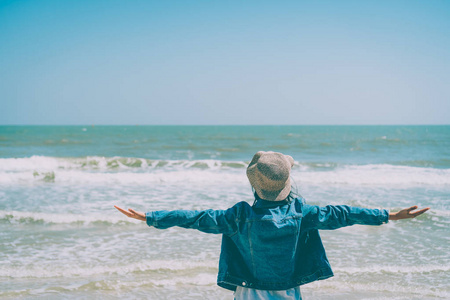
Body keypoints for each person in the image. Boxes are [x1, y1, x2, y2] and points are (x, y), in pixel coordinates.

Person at [115, 151, 429, 300]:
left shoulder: (236, 216)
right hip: (288, 291)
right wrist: (389, 214)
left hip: (248, 292)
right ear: (287, 184)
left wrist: (150, 217)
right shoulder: (302, 213)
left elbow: (195, 217)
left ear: (254, 185)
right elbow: (343, 213)